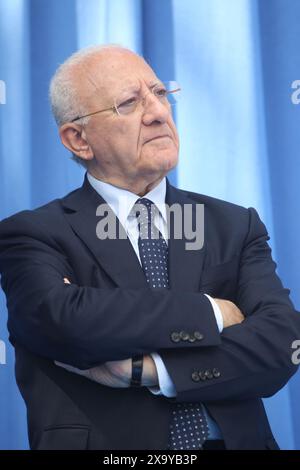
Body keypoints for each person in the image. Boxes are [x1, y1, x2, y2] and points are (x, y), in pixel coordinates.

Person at [0, 44, 299, 450]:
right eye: (128, 103)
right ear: (78, 139)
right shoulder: (32, 233)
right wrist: (212, 312)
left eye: (160, 93)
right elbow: (63, 320)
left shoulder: (233, 224)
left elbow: (283, 343)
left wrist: (151, 369)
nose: (158, 112)